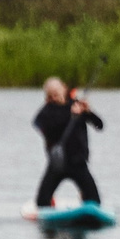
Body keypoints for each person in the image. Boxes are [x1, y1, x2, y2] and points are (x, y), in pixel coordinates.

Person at [32, 75, 105, 210]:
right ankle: (51, 204)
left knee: (95, 202)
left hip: (78, 162)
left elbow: (100, 126)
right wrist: (70, 115)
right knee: (41, 202)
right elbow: (41, 126)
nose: (54, 98)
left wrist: (88, 112)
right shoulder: (46, 112)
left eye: (56, 94)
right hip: (58, 164)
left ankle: (84, 198)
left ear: (64, 90)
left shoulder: (76, 105)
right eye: (51, 95)